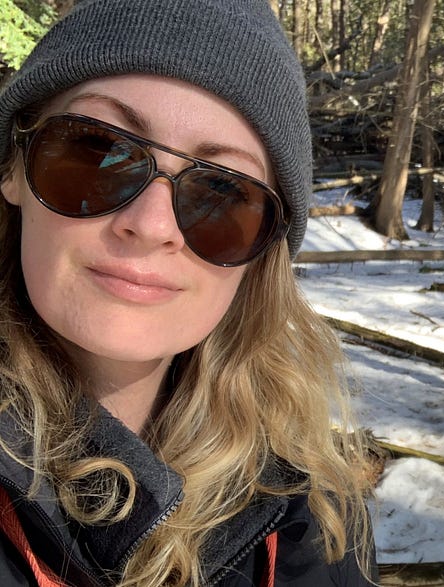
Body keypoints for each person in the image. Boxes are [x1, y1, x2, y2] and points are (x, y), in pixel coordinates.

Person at [0, 1, 377, 585]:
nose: (151, 225)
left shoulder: (314, 513)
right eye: (96, 153)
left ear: (264, 250)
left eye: (222, 194)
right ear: (14, 168)